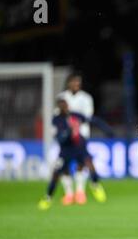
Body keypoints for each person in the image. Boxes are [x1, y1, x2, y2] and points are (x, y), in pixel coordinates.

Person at [38, 99, 106, 210]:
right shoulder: (57, 120)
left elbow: (90, 120)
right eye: (62, 106)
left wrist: (105, 128)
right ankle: (48, 198)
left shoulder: (75, 115)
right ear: (58, 108)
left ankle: (95, 185)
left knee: (90, 164)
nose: (65, 108)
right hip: (66, 149)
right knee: (56, 174)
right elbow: (59, 138)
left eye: (65, 105)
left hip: (79, 146)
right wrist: (69, 131)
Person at [56, 74, 94, 205]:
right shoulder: (62, 98)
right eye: (74, 82)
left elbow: (87, 116)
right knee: (64, 165)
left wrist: (73, 123)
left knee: (81, 163)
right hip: (65, 137)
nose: (76, 84)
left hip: (81, 135)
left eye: (78, 82)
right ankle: (68, 194)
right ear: (68, 83)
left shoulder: (86, 98)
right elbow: (58, 116)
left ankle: (80, 192)